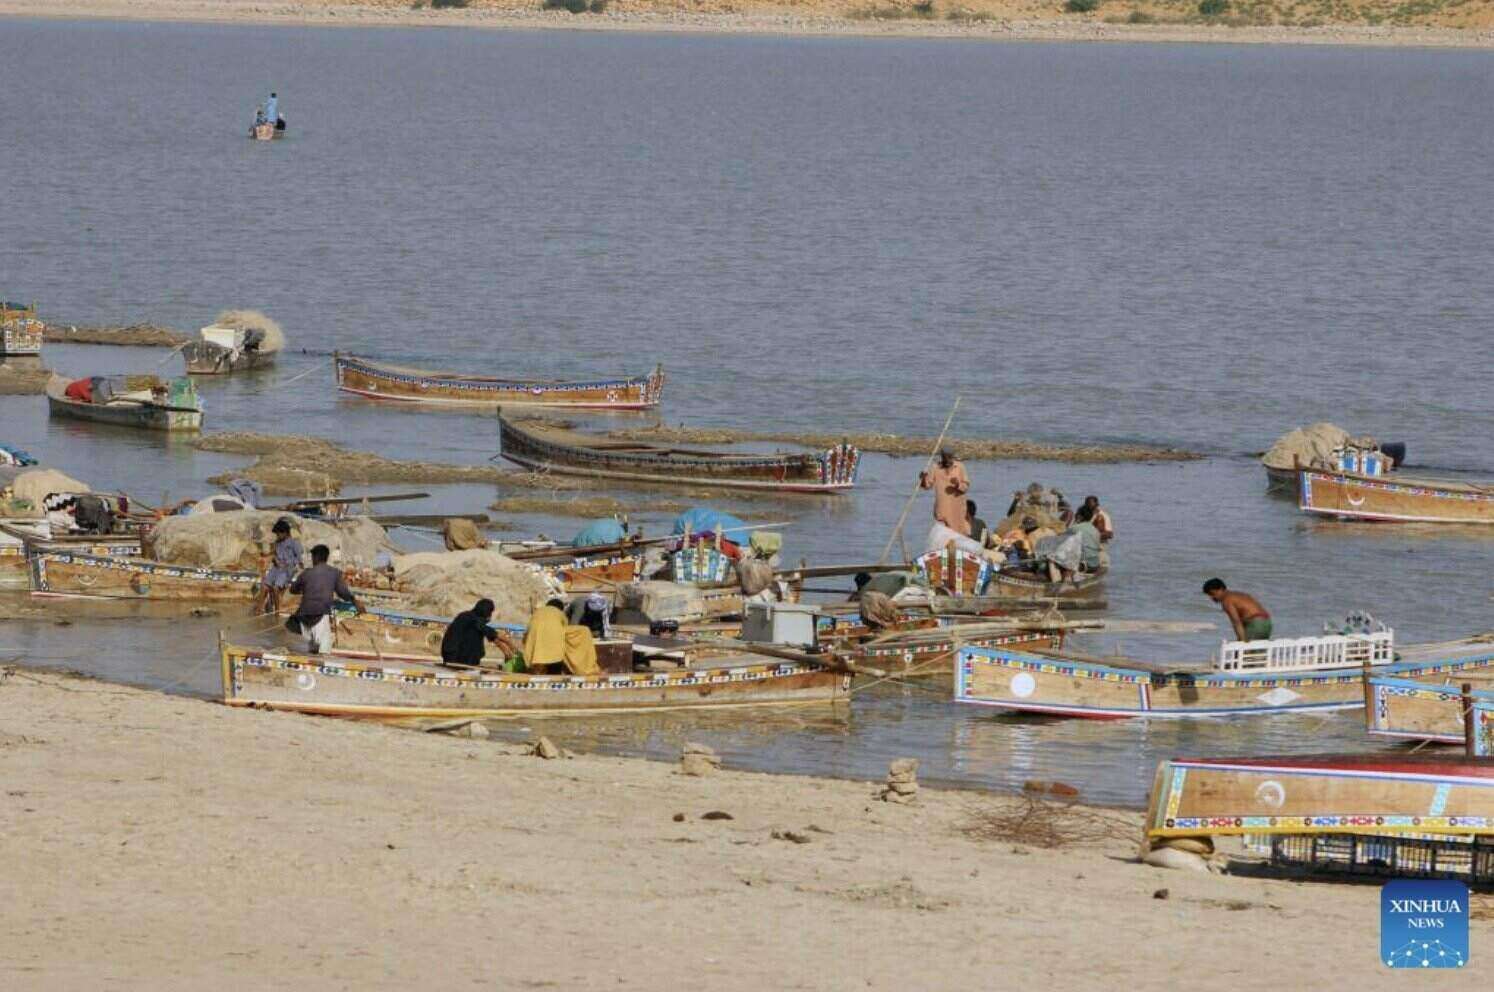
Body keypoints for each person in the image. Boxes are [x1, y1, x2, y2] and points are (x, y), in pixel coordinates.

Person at [287, 544, 363, 654]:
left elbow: (293, 589)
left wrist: (305, 588)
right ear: (326, 557)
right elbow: (343, 593)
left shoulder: (306, 573)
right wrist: (354, 601)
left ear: (315, 557)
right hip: (321, 614)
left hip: (304, 615)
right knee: (323, 652)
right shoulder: (334, 573)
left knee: (308, 650)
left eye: (312, 557)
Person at [522, 598, 599, 675]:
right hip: (555, 646)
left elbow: (528, 630)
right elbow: (565, 628)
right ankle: (582, 667)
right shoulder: (560, 613)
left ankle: (540, 670)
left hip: (534, 638)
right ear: (560, 608)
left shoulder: (537, 612)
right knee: (584, 630)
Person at [256, 517, 303, 615]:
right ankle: (259, 609)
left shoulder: (294, 543)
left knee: (276, 588)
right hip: (276, 568)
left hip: (286, 570)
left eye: (278, 534)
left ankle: (277, 611)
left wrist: (289, 565)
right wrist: (268, 556)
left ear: (285, 533)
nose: (277, 536)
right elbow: (275, 552)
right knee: (264, 586)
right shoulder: (278, 542)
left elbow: (299, 559)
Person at [919, 448, 971, 536]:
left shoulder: (959, 467)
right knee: (943, 532)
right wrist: (923, 479)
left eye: (949, 458)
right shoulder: (936, 468)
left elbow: (965, 487)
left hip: (957, 509)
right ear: (942, 457)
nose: (947, 461)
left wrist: (957, 484)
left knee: (959, 532)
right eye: (945, 458)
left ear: (952, 457)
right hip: (942, 509)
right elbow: (927, 485)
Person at [1202, 578, 1272, 642]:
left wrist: (1242, 642)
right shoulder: (1238, 595)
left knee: (1244, 649)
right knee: (1257, 649)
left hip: (1256, 624)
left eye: (1213, 594)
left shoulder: (1226, 600)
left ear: (1221, 589)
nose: (1212, 598)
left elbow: (1236, 622)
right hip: (1267, 623)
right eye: (1209, 595)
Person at [441, 598, 499, 669]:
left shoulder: (466, 616)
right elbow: (490, 632)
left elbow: (489, 634)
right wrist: (509, 643)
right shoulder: (473, 619)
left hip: (451, 656)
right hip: (456, 659)